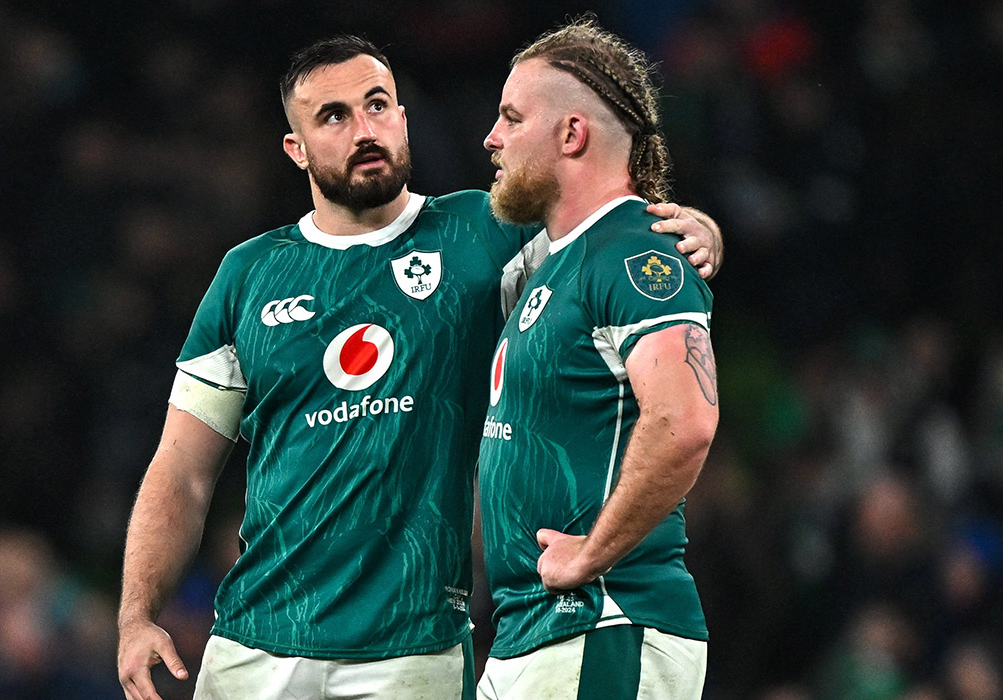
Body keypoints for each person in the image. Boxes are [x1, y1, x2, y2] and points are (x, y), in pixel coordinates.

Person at [117, 34, 722, 700]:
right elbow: (182, 465)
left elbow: (603, 216)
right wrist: (137, 612)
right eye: (334, 116)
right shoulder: (248, 275)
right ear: (297, 149)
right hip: (255, 638)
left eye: (378, 105)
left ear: (404, 116)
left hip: (416, 650)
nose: (365, 129)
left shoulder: (485, 233)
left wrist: (693, 227)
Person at [476, 19, 719, 700]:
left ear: (572, 134)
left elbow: (685, 422)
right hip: (535, 629)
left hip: (606, 618)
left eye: (511, 117)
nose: (492, 138)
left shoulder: (632, 253)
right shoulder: (554, 261)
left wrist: (591, 551)